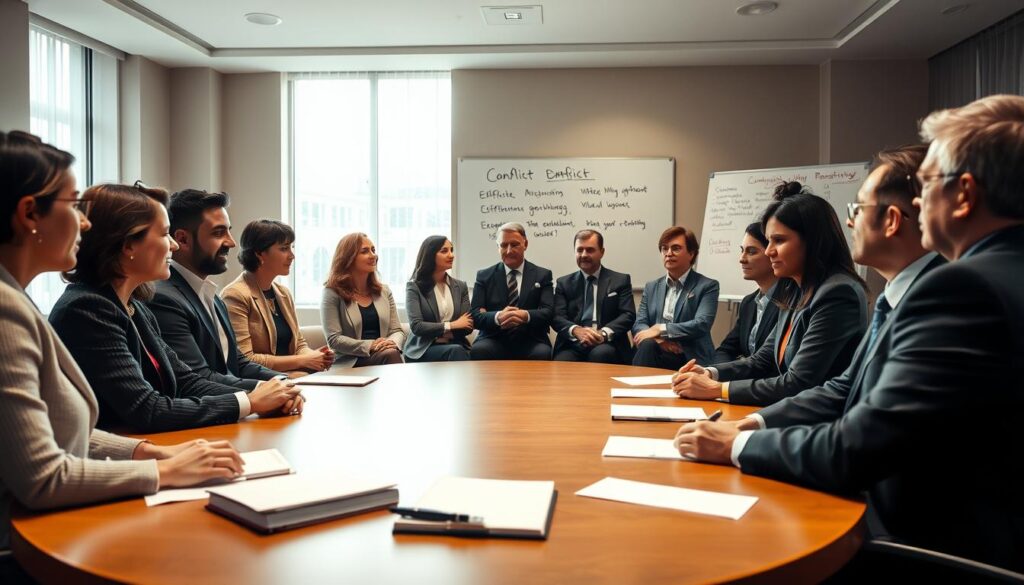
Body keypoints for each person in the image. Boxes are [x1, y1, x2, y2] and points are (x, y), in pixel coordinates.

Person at [675, 95, 1024, 571]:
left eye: (927, 185)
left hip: (922, 540)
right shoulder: (931, 285)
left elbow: (857, 449)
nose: (919, 201)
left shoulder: (961, 289)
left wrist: (735, 445)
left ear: (963, 194)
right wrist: (749, 424)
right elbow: (846, 390)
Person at [0, 130, 245, 561]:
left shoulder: (16, 301)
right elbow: (43, 478)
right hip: (26, 547)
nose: (86, 221)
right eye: (74, 205)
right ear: (28, 213)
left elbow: (59, 433)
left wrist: (146, 450)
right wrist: (162, 471)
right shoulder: (9, 313)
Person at [49, 182, 302, 432]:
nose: (173, 245)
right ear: (127, 245)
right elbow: (145, 408)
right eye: (164, 234)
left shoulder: (135, 305)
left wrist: (268, 393)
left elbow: (186, 381)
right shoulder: (88, 308)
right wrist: (250, 401)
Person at [672, 184, 867, 407]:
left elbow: (798, 382)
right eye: (768, 241)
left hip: (819, 424)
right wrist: (710, 373)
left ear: (813, 241)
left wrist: (718, 389)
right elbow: (762, 359)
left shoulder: (837, 293)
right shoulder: (795, 289)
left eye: (779, 240)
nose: (768, 251)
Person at [148, 189, 284, 388]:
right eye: (219, 232)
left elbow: (237, 362)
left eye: (229, 230)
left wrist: (284, 381)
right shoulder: (164, 298)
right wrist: (268, 390)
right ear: (183, 240)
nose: (231, 242)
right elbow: (199, 378)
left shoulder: (211, 294)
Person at [222, 219, 334, 376]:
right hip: (261, 381)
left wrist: (317, 356)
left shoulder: (283, 293)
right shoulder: (235, 295)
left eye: (291, 247)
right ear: (259, 253)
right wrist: (303, 361)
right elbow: (246, 360)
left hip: (293, 375)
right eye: (284, 249)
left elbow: (298, 344)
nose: (292, 255)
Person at [632, 226, 719, 369]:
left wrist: (661, 329)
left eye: (676, 248)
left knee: (647, 347)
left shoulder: (707, 286)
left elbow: (702, 324)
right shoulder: (652, 286)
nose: (668, 253)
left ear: (691, 254)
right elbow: (639, 323)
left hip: (688, 355)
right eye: (664, 248)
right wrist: (659, 340)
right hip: (655, 349)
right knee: (647, 345)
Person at [470, 222, 554, 360]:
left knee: (543, 353)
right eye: (503, 245)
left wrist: (525, 315)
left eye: (514, 245)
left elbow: (548, 312)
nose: (509, 251)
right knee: (479, 351)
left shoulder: (542, 275)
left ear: (525, 244)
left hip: (531, 339)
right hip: (493, 338)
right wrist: (497, 317)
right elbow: (475, 315)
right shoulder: (484, 276)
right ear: (498, 247)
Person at [320, 232, 406, 367]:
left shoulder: (385, 291)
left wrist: (392, 343)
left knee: (390, 353)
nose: (373, 255)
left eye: (373, 250)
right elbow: (334, 339)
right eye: (365, 251)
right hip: (349, 362)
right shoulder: (331, 292)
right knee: (390, 355)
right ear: (348, 258)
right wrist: (371, 345)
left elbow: (397, 331)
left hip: (386, 354)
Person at [552, 229, 635, 363]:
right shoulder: (564, 283)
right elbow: (557, 317)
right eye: (579, 250)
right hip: (573, 343)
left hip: (607, 342)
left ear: (602, 252)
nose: (584, 255)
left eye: (590, 250)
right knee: (563, 361)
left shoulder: (620, 280)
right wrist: (576, 330)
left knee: (601, 354)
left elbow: (628, 315)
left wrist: (603, 334)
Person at [712, 222, 779, 363]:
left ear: (772, 253)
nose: (741, 259)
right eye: (742, 250)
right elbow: (725, 350)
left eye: (751, 252)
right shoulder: (749, 302)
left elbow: (769, 363)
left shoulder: (790, 301)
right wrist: (714, 372)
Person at [403, 235, 473, 362]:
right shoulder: (414, 287)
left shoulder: (460, 286)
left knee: (469, 351)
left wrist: (437, 331)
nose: (451, 255)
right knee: (456, 351)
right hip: (424, 349)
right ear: (430, 255)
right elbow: (417, 327)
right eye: (444, 251)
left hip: (455, 345)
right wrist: (452, 325)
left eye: (451, 250)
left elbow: (467, 326)